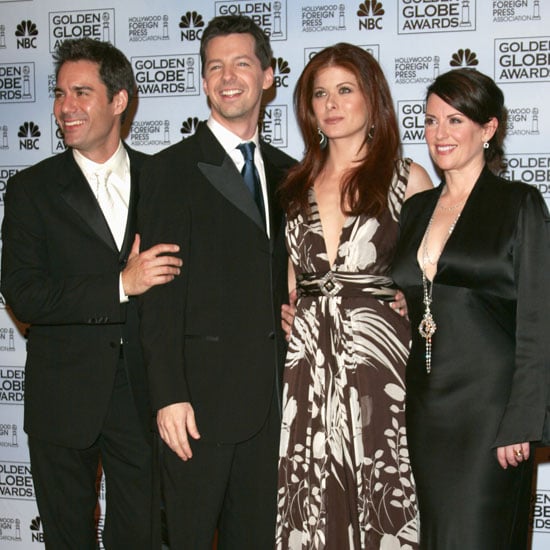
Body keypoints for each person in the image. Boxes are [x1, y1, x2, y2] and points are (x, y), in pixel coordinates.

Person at [0, 38, 182, 549]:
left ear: (119, 101)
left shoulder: (163, 180)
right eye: (60, 94)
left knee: (142, 536)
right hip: (62, 397)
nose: (64, 107)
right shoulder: (32, 189)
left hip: (145, 395)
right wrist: (119, 285)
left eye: (81, 92)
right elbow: (23, 293)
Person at [137, 15, 296, 549]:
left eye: (242, 64)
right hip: (196, 411)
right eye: (215, 67)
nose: (228, 77)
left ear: (268, 75)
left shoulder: (290, 173)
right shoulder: (168, 171)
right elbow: (156, 296)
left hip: (273, 406)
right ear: (203, 82)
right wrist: (168, 396)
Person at [275, 43, 433, 549]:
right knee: (310, 483)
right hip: (308, 363)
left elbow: (437, 279)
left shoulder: (408, 180)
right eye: (320, 94)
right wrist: (292, 310)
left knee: (384, 482)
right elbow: (292, 275)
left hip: (380, 363)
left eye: (345, 90)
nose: (332, 103)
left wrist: (419, 300)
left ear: (373, 100)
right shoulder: (295, 186)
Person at [392, 68, 550, 549]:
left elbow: (538, 321)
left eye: (455, 120)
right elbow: (417, 294)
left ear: (488, 128)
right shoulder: (416, 208)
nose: (440, 134)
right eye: (431, 120)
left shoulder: (518, 203)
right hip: (426, 404)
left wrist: (522, 420)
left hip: (490, 409)